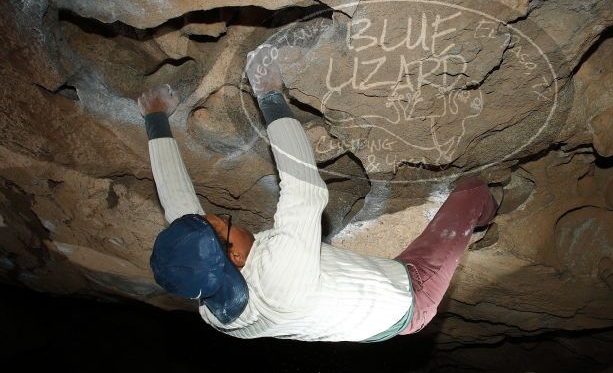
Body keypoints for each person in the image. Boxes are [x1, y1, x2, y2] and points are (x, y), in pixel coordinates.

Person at [140, 44, 497, 342]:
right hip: (411, 296)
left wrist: (155, 121)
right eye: (225, 224)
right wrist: (269, 94)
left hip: (367, 311)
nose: (227, 219)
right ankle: (489, 213)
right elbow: (304, 190)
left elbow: (180, 212)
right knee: (470, 191)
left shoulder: (212, 302)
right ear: (233, 257)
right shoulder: (279, 280)